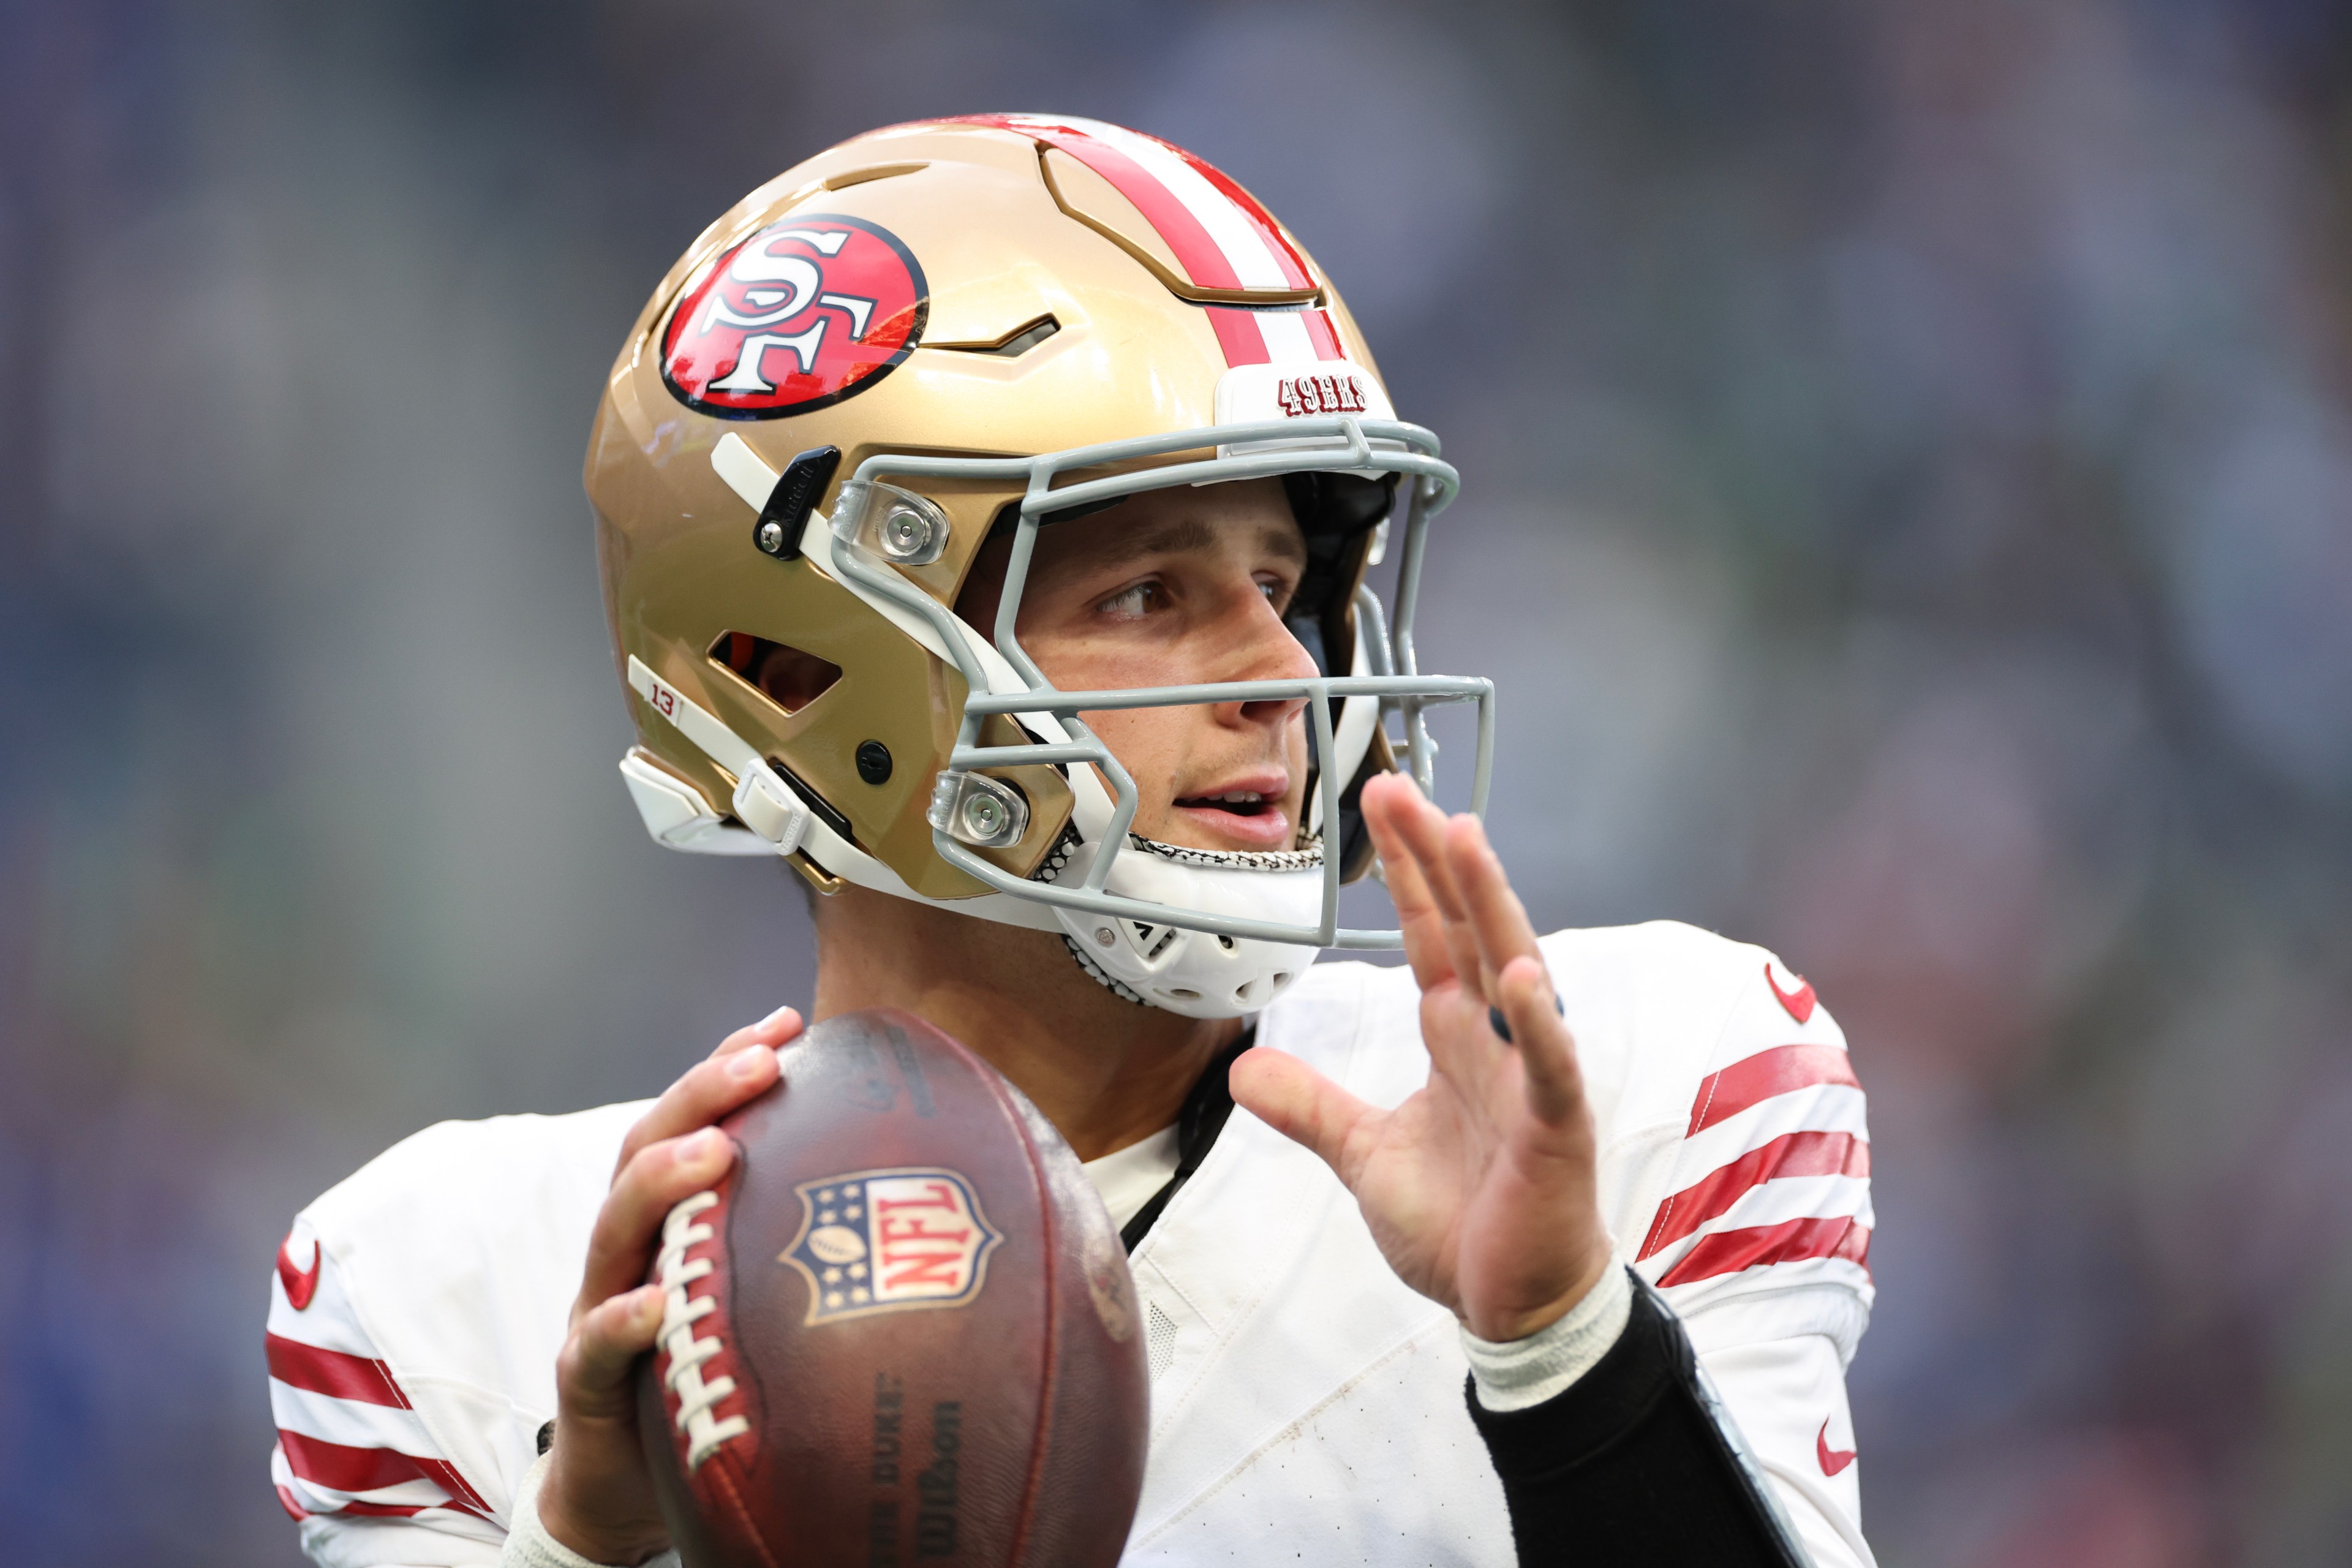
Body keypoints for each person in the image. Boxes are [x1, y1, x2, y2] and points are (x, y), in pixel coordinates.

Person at [262, 116, 1877, 1567]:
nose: (1287, 674)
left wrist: (1568, 1353)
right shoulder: (459, 1300)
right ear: (798, 672)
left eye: (1285, 585)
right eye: (1149, 595)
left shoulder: (1639, 1097)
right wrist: (585, 1556)